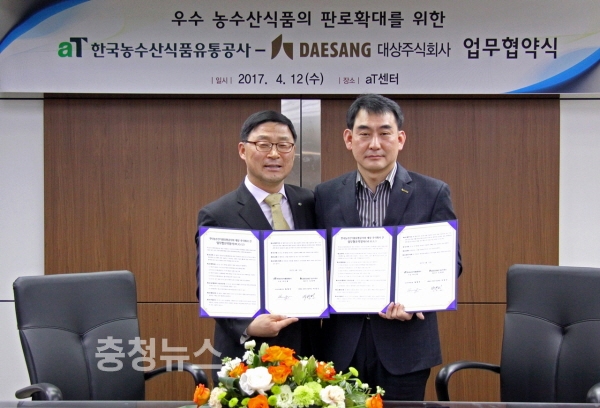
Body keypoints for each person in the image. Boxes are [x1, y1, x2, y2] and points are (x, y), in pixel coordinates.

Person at [314, 94, 462, 401]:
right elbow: (316, 262)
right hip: (342, 345)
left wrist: (416, 299)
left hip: (405, 346)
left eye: (384, 133)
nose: (375, 144)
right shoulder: (325, 195)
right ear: (349, 139)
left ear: (400, 139)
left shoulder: (432, 192)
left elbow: (451, 263)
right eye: (364, 133)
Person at [195, 110, 318, 384]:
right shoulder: (219, 214)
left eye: (283, 145)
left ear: (293, 151)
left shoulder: (310, 203)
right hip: (247, 358)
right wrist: (248, 325)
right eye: (263, 144)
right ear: (243, 150)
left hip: (307, 352)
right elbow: (210, 288)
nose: (274, 154)